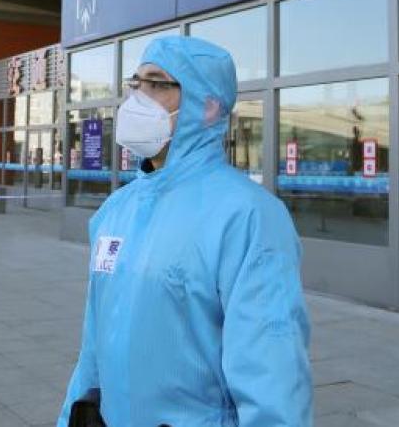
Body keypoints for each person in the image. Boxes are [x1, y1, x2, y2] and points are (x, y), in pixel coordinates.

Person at [58, 37, 312, 427]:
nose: (138, 98)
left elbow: (272, 375)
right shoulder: (116, 211)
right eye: (136, 83)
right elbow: (94, 344)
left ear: (208, 107)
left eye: (157, 84)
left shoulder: (248, 216)